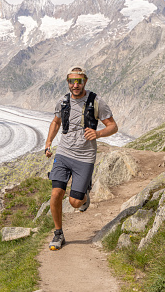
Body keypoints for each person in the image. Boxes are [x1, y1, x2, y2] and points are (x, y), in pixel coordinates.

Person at [45, 66, 118, 251]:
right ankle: (58, 233)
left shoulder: (96, 102)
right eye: (72, 81)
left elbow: (113, 126)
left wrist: (98, 133)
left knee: (75, 202)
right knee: (55, 194)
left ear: (85, 81)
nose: (75, 85)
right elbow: (56, 122)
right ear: (67, 82)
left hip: (85, 157)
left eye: (79, 81)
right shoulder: (62, 101)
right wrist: (48, 143)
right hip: (63, 153)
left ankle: (84, 192)